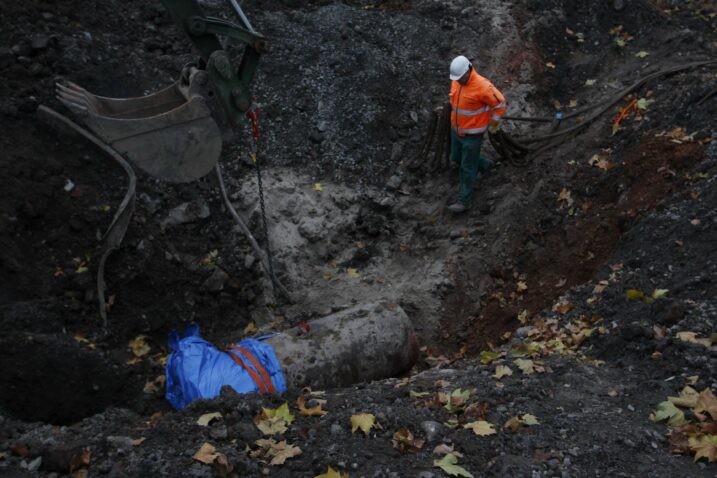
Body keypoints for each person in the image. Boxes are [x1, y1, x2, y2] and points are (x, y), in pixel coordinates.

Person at [447, 55, 506, 213]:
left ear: (468, 70)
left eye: (460, 78)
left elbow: (500, 104)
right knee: (456, 157)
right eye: (456, 79)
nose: (458, 81)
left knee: (467, 168)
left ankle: (464, 201)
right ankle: (485, 165)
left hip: (473, 136)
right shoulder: (457, 81)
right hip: (457, 131)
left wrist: (493, 123)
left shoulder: (483, 86)